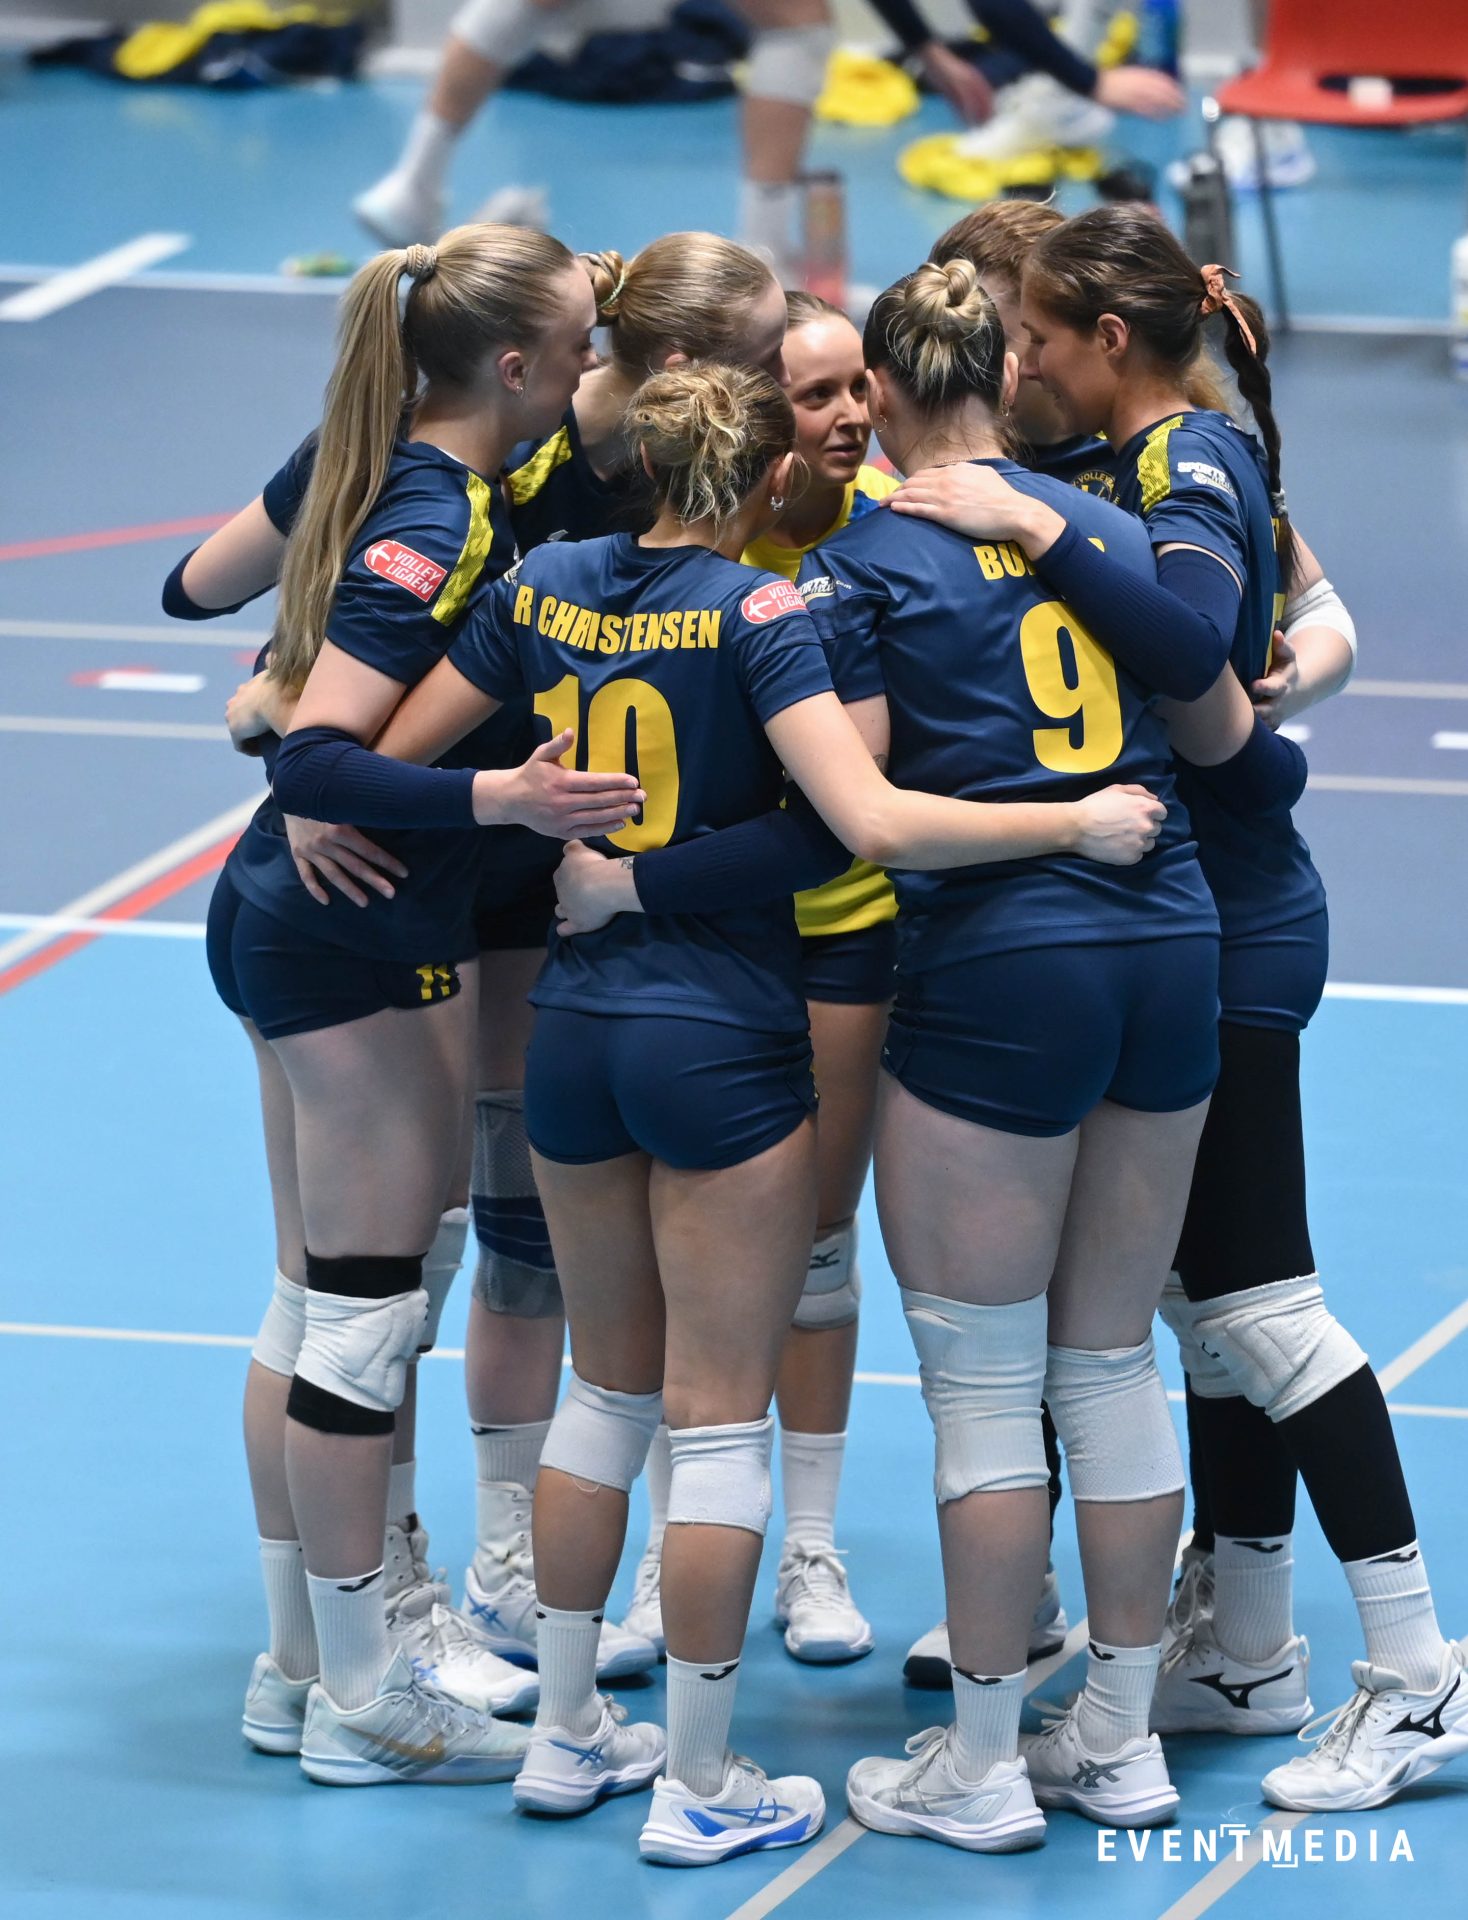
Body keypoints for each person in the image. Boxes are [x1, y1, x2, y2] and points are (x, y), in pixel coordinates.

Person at [279, 356, 1169, 1855]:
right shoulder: (768, 615)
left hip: (571, 1034)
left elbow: (332, 755)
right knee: (715, 1421)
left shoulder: (544, 582)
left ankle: (567, 1735)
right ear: (766, 477)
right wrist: (1073, 819)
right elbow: (856, 827)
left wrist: (499, 807)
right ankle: (699, 1782)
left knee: (602, 1394)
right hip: (721, 1044)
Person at [893, 205, 1465, 1815]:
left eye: (1025, 340)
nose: (1007, 367)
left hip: (1225, 926)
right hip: (1175, 919)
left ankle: (1420, 1674)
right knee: (1207, 1314)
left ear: (1097, 338)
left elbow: (1222, 650)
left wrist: (1263, 707)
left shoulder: (1175, 465)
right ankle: (1250, 1647)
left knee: (1261, 1309)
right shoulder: (1105, 460)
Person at [202, 223, 647, 1783]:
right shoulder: (441, 514)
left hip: (317, 922)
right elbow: (321, 753)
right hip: (347, 935)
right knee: (366, 1315)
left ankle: (301, 1668)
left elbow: (200, 592)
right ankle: (360, 1696)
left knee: (328, 1304)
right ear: (512, 367)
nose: (593, 370)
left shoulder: (407, 460)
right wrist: (499, 798)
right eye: (580, 346)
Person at [621, 290, 896, 1667]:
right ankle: (672, 1553)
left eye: (860, 388)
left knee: (820, 1250)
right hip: (705, 944)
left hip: (839, 930)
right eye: (815, 395)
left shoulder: (892, 530)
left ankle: (811, 1550)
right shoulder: (686, 542)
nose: (849, 417)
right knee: (686, 1267)